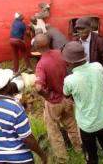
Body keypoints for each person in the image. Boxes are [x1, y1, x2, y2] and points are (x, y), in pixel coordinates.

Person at [61, 41, 103, 164]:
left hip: (86, 126)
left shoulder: (69, 80)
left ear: (69, 62)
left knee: (91, 158)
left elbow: (66, 94)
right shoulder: (98, 67)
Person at [0, 69, 47, 164]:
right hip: (20, 159)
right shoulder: (15, 107)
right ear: (8, 85)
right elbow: (27, 138)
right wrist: (42, 155)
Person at [33, 34, 82, 163]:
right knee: (72, 126)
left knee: (54, 132)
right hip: (66, 97)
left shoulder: (41, 65)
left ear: (37, 47)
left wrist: (47, 96)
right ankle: (80, 150)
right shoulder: (60, 53)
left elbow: (38, 88)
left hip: (54, 103)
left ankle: (62, 159)